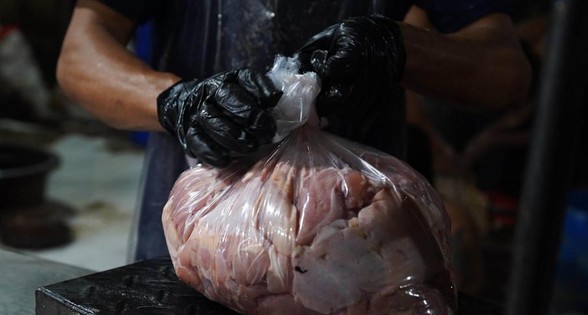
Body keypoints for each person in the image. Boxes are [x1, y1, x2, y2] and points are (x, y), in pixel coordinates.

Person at [56, 0, 531, 261]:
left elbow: (504, 69)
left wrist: (397, 50)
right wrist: (178, 102)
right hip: (193, 236)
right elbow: (80, 51)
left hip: (358, 246)